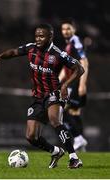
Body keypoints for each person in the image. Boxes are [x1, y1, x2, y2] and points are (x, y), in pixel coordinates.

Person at [0, 23, 84, 168]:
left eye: (42, 36)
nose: (38, 39)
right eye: (36, 36)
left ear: (50, 36)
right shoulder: (31, 48)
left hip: (55, 93)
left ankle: (74, 158)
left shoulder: (58, 54)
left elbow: (79, 68)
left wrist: (65, 85)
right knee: (31, 137)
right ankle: (55, 151)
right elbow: (14, 52)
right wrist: (0, 57)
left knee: (55, 120)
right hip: (38, 96)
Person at [58, 20, 89, 151]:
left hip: (75, 82)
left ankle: (78, 138)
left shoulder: (76, 41)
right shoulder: (69, 44)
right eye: (63, 29)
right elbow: (66, 68)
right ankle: (80, 141)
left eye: (68, 28)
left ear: (74, 29)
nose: (65, 31)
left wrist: (82, 84)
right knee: (74, 112)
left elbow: (84, 62)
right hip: (71, 82)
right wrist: (58, 81)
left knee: (62, 110)